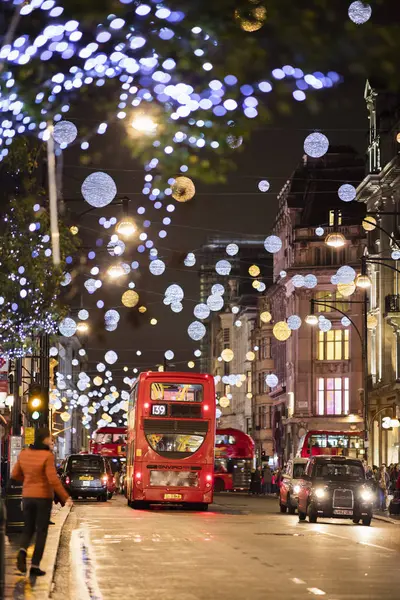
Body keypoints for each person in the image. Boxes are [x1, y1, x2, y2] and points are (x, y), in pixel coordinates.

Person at [11, 427, 72, 578]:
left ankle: (22, 551)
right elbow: (52, 479)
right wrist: (65, 497)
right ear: (44, 439)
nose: (51, 440)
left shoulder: (24, 453)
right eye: (49, 438)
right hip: (43, 498)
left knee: (28, 528)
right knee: (41, 532)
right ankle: (35, 565)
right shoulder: (47, 456)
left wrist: (29, 481)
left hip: (27, 496)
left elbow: (15, 474)